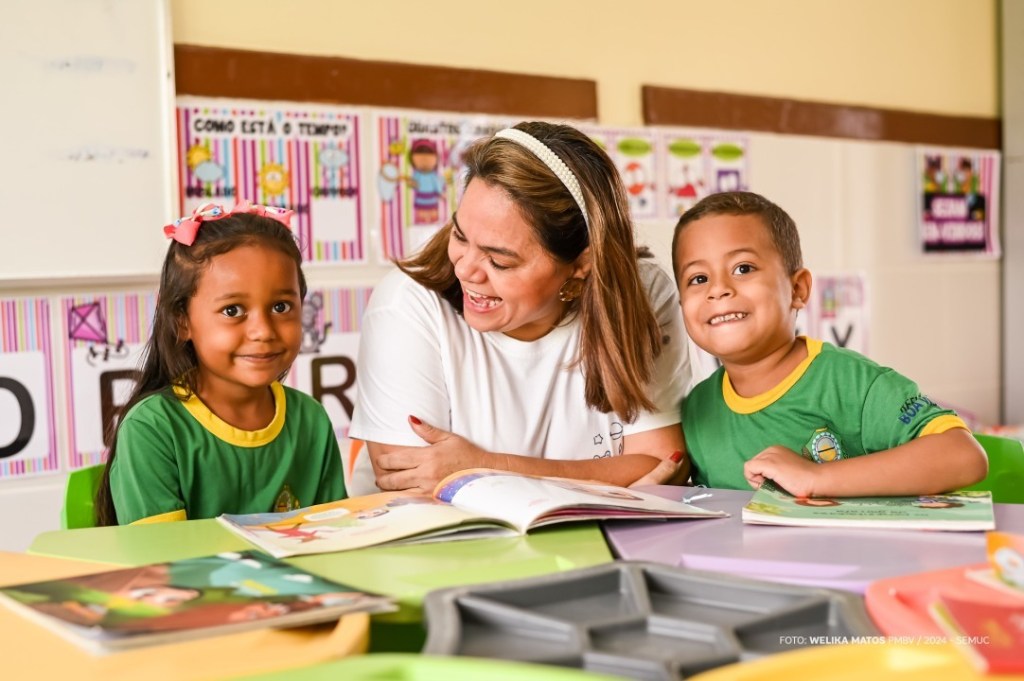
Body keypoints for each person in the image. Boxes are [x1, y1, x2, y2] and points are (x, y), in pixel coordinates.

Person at [349, 121, 691, 495]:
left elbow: (664, 466)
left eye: (500, 261)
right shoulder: (406, 303)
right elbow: (412, 486)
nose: (464, 269)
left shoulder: (641, 293)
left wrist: (484, 466)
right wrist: (609, 479)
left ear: (582, 264)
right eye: (460, 235)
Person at [672, 191, 988, 497]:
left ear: (798, 289)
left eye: (743, 268)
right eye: (698, 279)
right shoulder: (698, 408)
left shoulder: (851, 383)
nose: (719, 290)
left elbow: (964, 456)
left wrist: (816, 476)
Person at [95, 201, 345, 526]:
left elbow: (335, 538)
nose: (263, 331)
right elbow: (162, 562)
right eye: (232, 311)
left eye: (282, 307)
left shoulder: (311, 419)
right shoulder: (152, 429)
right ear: (181, 320)